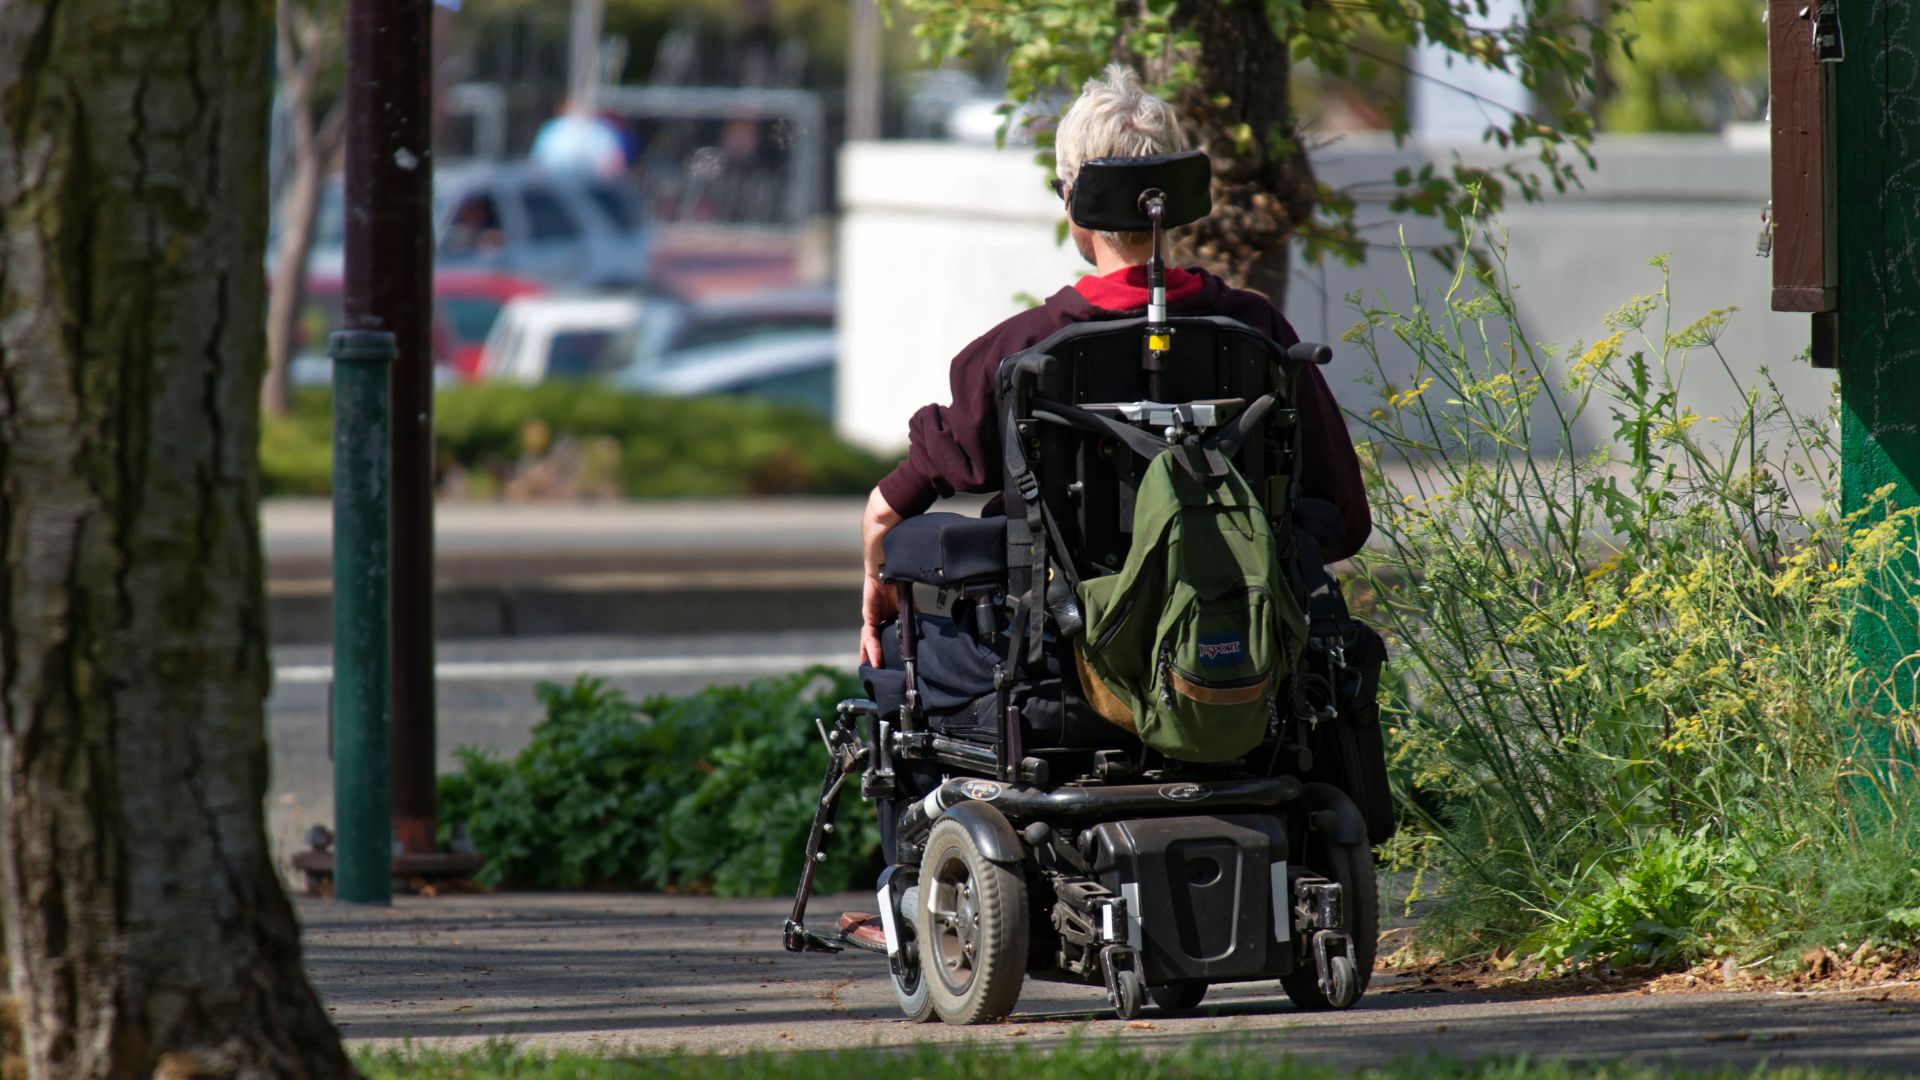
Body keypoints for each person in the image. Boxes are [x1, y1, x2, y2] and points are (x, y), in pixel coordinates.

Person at [856, 64, 1369, 669]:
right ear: (1177, 197)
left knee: (896, 655)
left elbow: (884, 513)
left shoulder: (1022, 350)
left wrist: (876, 587)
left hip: (1060, 665)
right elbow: (1346, 516)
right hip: (1237, 659)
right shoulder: (1258, 335)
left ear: (1073, 197)